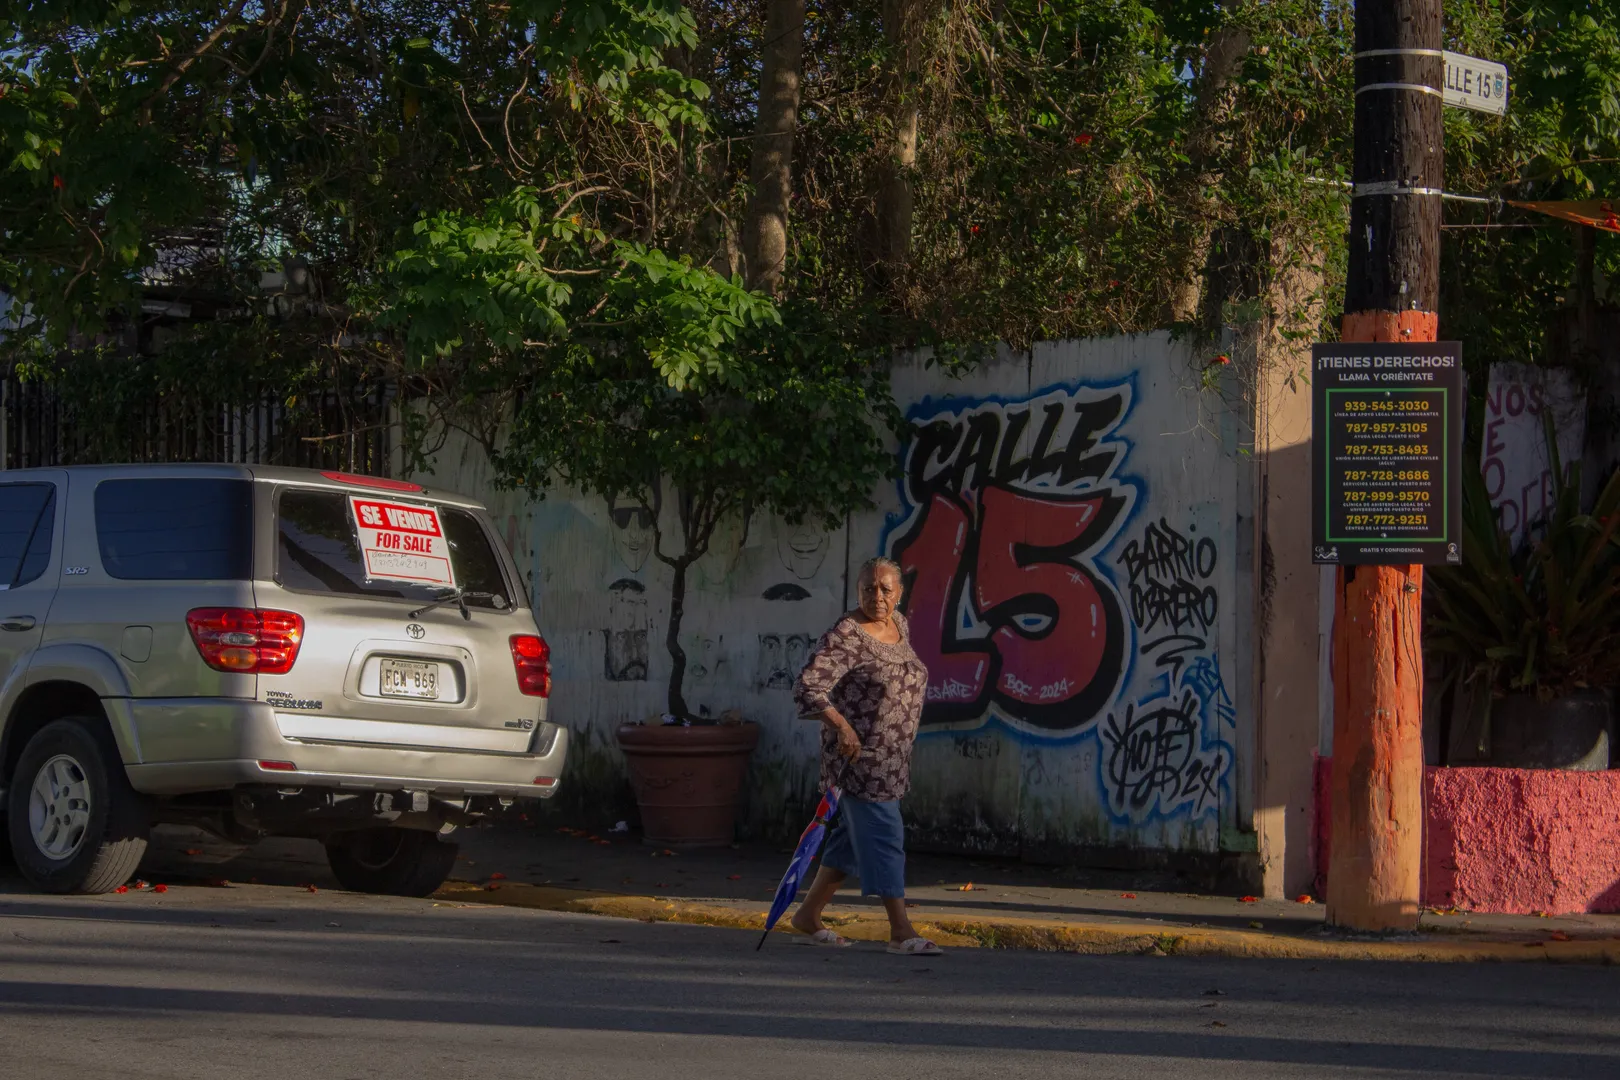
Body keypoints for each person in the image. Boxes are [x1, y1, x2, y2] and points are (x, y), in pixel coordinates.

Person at [789, 555, 940, 956]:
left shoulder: (898, 625)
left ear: (899, 593)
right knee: (885, 837)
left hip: (893, 759)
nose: (877, 596)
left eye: (886, 589)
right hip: (860, 761)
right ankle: (901, 930)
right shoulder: (847, 634)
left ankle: (808, 915)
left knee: (848, 843)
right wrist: (842, 726)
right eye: (869, 588)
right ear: (857, 591)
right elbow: (807, 687)